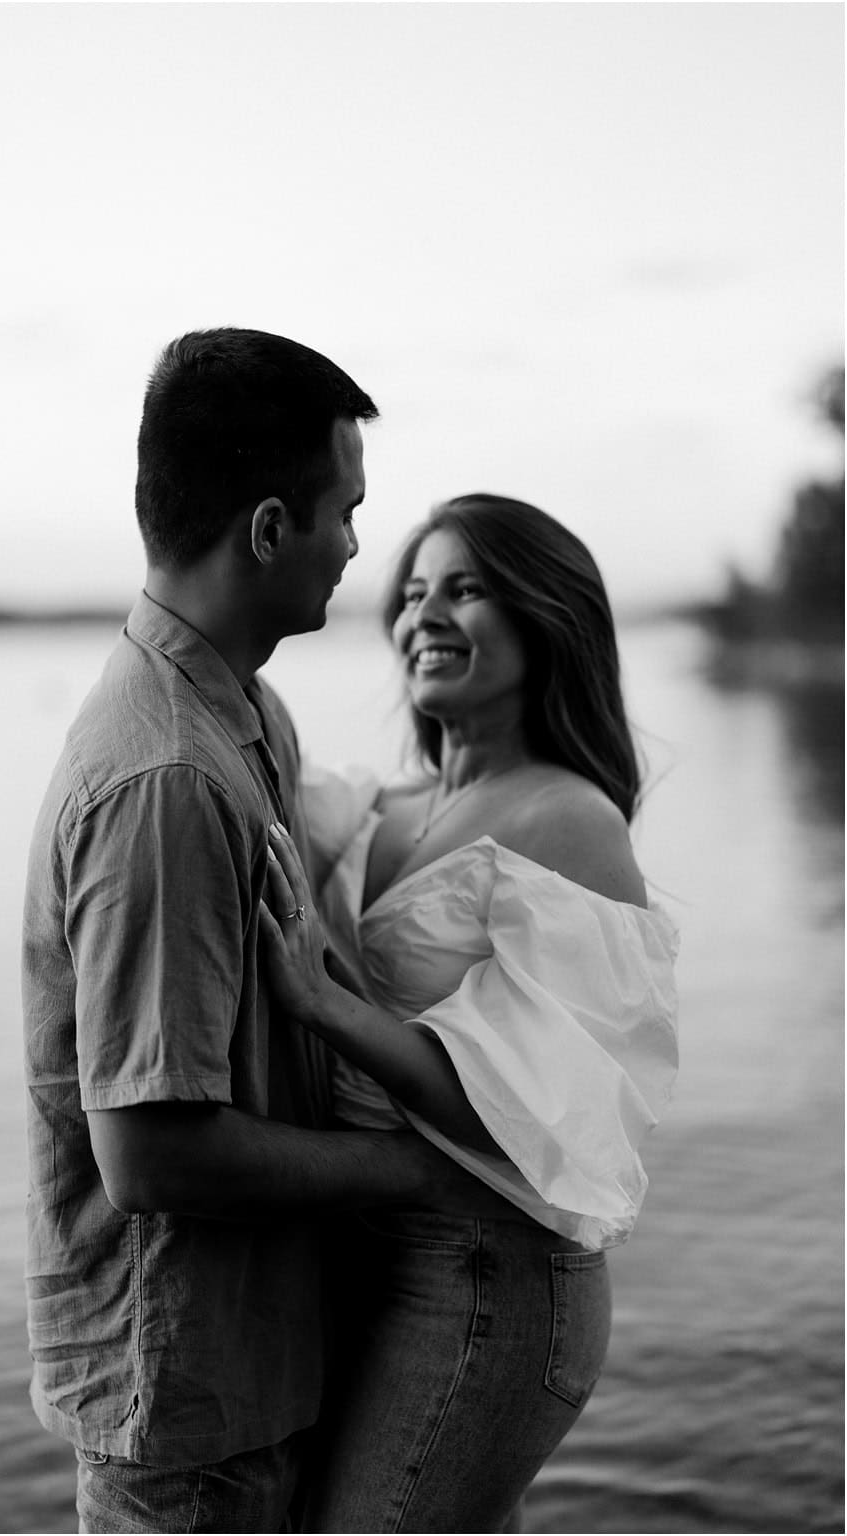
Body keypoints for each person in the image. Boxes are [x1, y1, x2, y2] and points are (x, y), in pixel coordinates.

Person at [21, 328, 513, 1533]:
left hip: (261, 1370)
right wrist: (423, 1171)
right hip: (189, 1415)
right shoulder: (167, 778)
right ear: (265, 529)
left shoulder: (244, 712)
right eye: (342, 511)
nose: (357, 545)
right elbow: (148, 1155)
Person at [256, 494, 679, 1531]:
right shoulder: (375, 807)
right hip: (366, 1247)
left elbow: (526, 1111)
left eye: (466, 588)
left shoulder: (565, 818)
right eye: (409, 595)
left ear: (545, 618)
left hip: (492, 1274)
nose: (424, 617)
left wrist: (321, 1003)